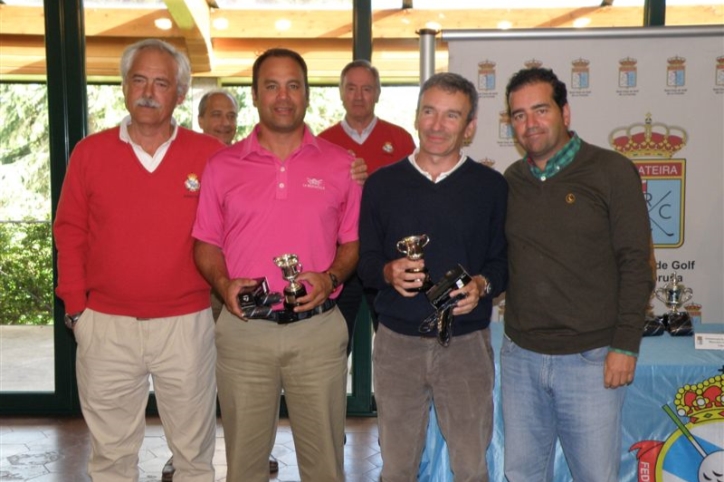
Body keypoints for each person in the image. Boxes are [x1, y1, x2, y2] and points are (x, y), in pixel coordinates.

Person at [53, 39, 223, 482]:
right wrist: (76, 309)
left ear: (180, 94)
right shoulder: (89, 153)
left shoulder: (211, 155)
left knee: (194, 458)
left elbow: (251, 205)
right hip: (105, 326)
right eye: (139, 79)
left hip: (185, 324)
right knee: (110, 460)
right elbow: (70, 231)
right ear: (125, 87)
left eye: (161, 82)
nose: (148, 91)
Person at [192, 48, 362, 481]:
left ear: (307, 94)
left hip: (318, 333)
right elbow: (206, 242)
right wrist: (222, 282)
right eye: (271, 85)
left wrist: (331, 277)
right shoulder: (221, 166)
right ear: (254, 94)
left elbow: (353, 242)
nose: (282, 96)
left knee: (325, 465)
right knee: (245, 468)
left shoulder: (342, 166)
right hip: (244, 330)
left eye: (293, 85)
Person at [501, 67, 654, 482]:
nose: (530, 123)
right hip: (520, 359)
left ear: (564, 113)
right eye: (518, 115)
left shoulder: (611, 171)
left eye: (540, 110)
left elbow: (636, 262)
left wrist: (625, 344)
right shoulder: (511, 180)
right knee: (521, 475)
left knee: (595, 476)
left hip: (591, 361)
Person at [358, 72, 508, 481]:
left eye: (451, 115)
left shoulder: (492, 187)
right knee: (397, 465)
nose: (437, 125)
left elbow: (502, 263)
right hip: (396, 346)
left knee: (471, 465)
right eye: (429, 112)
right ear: (416, 115)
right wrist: (388, 272)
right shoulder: (381, 184)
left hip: (466, 346)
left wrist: (482, 286)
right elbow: (366, 262)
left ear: (470, 126)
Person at [319, 59, 416, 346]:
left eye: (366, 89)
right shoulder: (323, 143)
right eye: (351, 88)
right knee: (334, 345)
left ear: (377, 93)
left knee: (394, 341)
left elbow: (412, 198)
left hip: (387, 257)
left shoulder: (400, 139)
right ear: (340, 93)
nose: (359, 96)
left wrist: (375, 182)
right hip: (339, 259)